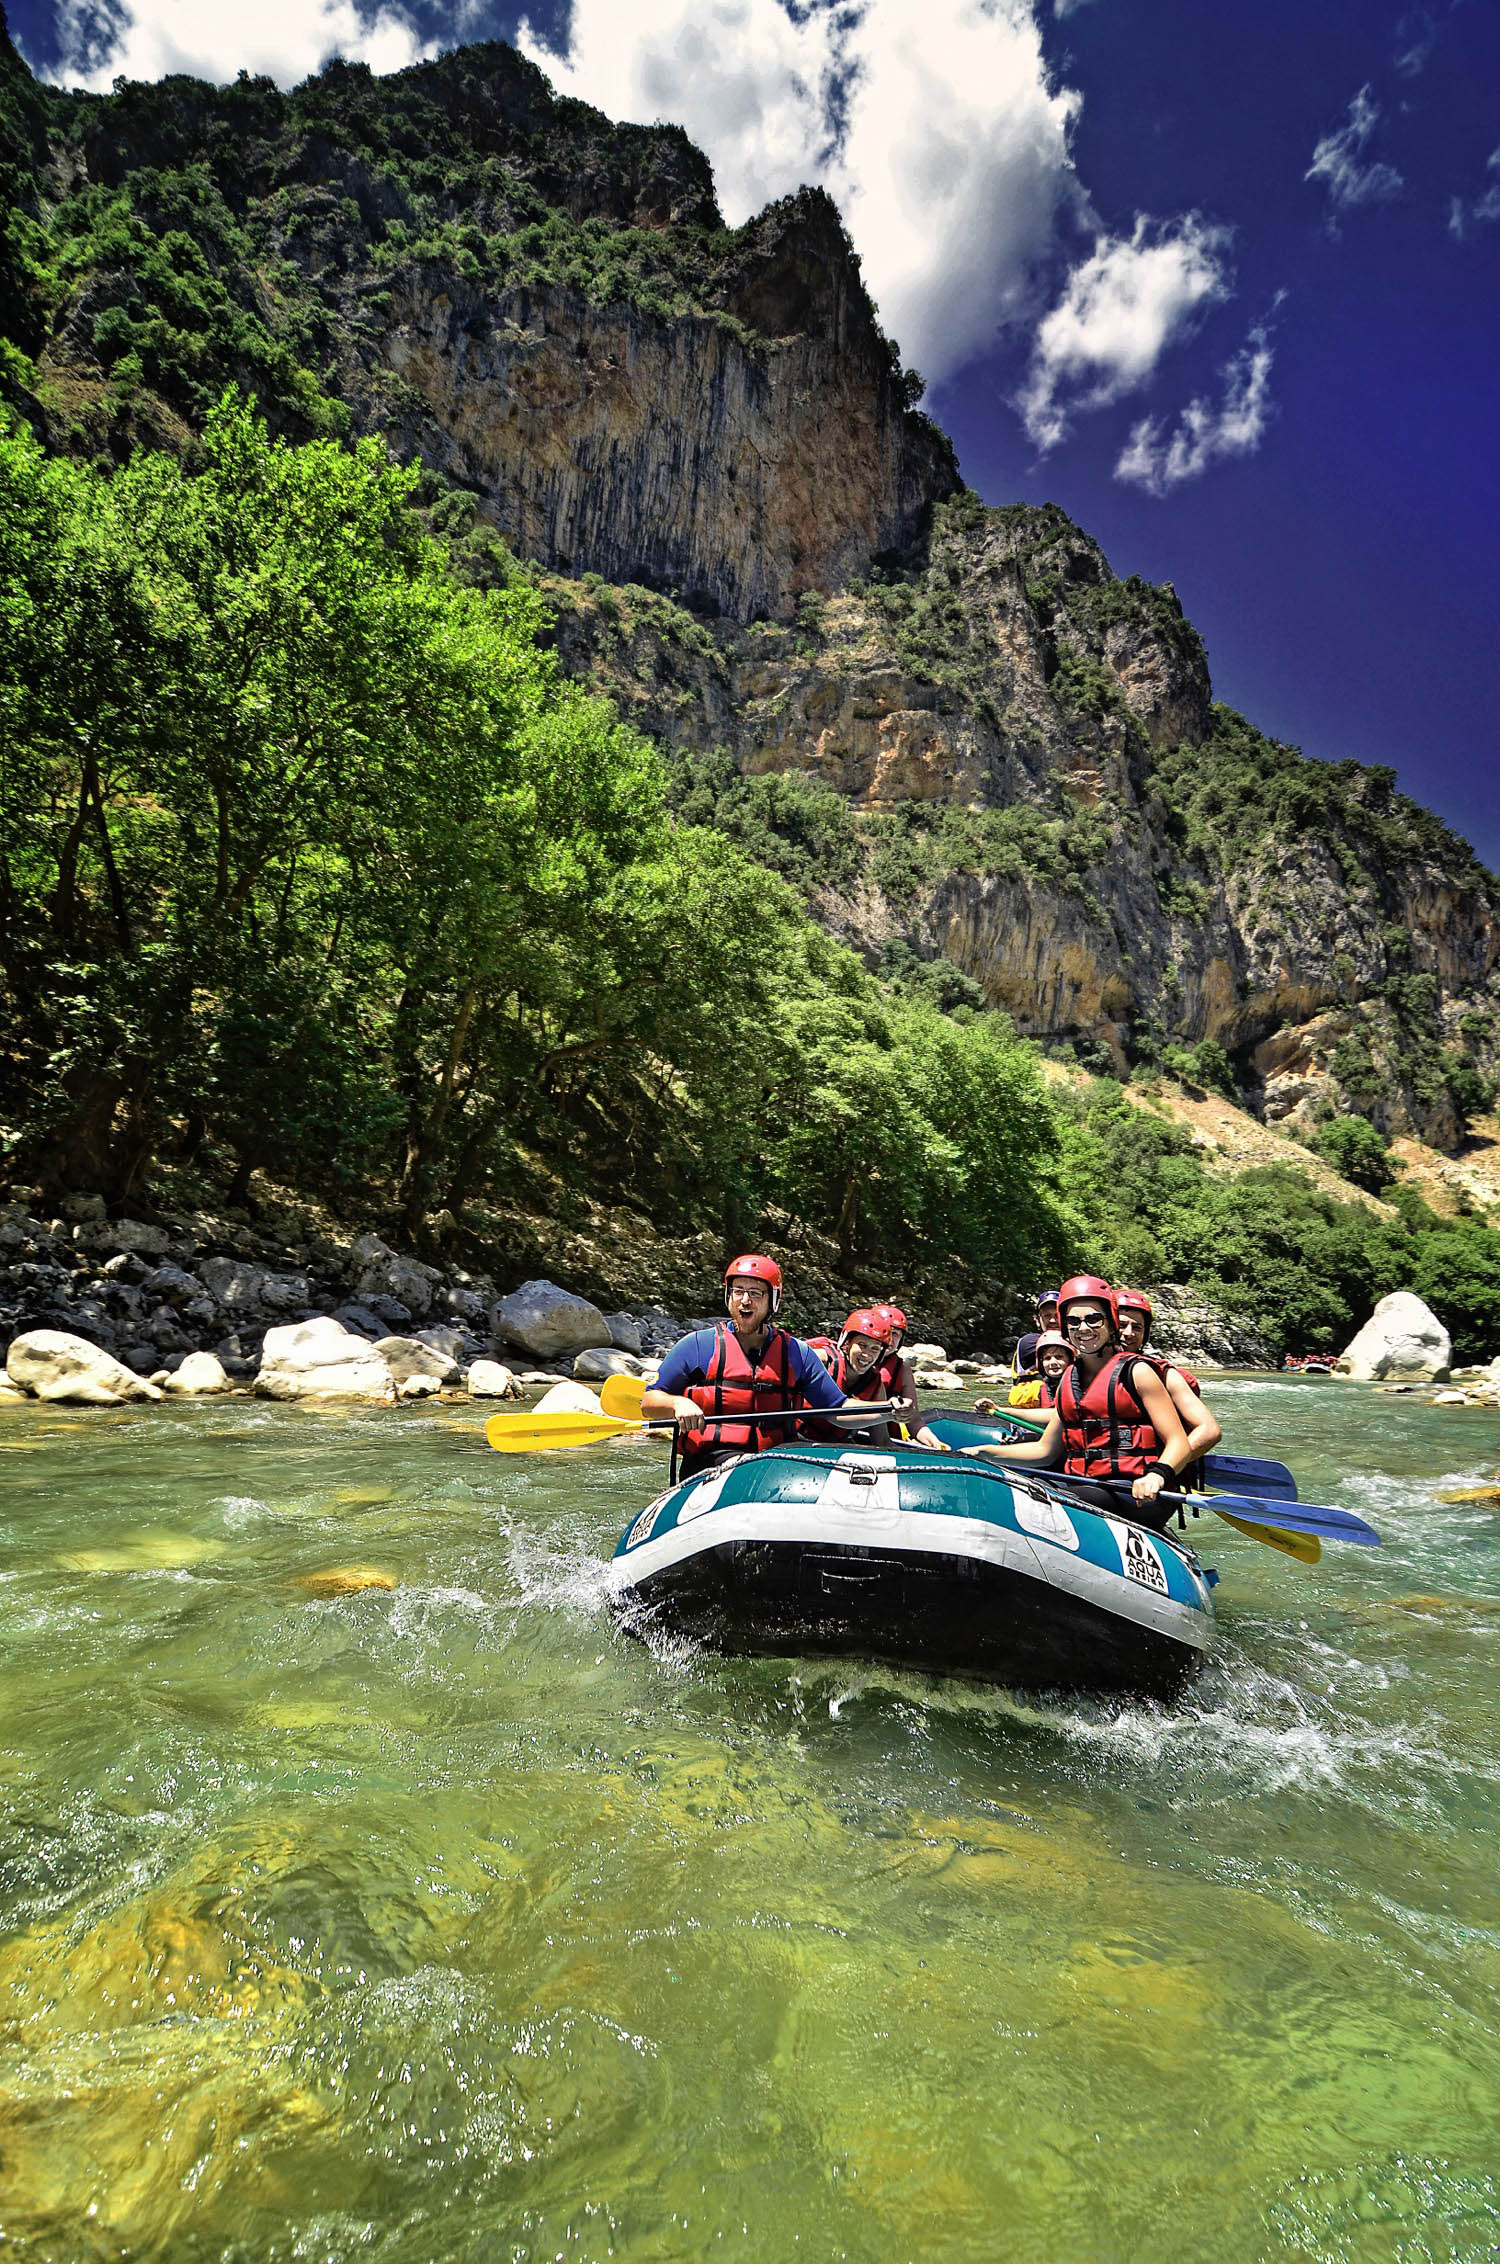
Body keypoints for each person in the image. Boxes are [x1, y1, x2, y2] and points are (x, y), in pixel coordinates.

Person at [959, 1275, 1192, 1529]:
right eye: (1073, 1321)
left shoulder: (1137, 1372)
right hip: (1088, 1485)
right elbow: (1045, 1451)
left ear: (1110, 1322)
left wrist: (1157, 1476)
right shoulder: (1070, 1378)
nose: (1083, 1328)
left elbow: (1179, 1442)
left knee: (1050, 1497)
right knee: (1015, 1486)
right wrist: (982, 1453)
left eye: (1093, 1319)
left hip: (1139, 1493)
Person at [643, 1255, 880, 1479]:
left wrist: (889, 1411)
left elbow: (838, 1410)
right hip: (709, 1464)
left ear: (772, 1301)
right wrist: (677, 1403)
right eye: (738, 1292)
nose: (745, 1300)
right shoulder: (697, 1346)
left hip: (774, 1464)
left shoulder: (797, 1354)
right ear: (729, 1297)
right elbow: (649, 1402)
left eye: (755, 1293)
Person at [1114, 1289, 1222, 1470]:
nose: (1129, 1333)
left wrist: (1162, 1469)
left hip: (1148, 1478)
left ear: (1145, 1335)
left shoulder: (1165, 1375)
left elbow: (1209, 1430)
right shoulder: (1083, 1372)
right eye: (1121, 1325)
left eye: (1137, 1327)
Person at [1008, 1328, 1072, 1409]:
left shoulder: (1076, 1384)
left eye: (1059, 1357)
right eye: (1048, 1358)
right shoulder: (1042, 1389)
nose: (1053, 1362)